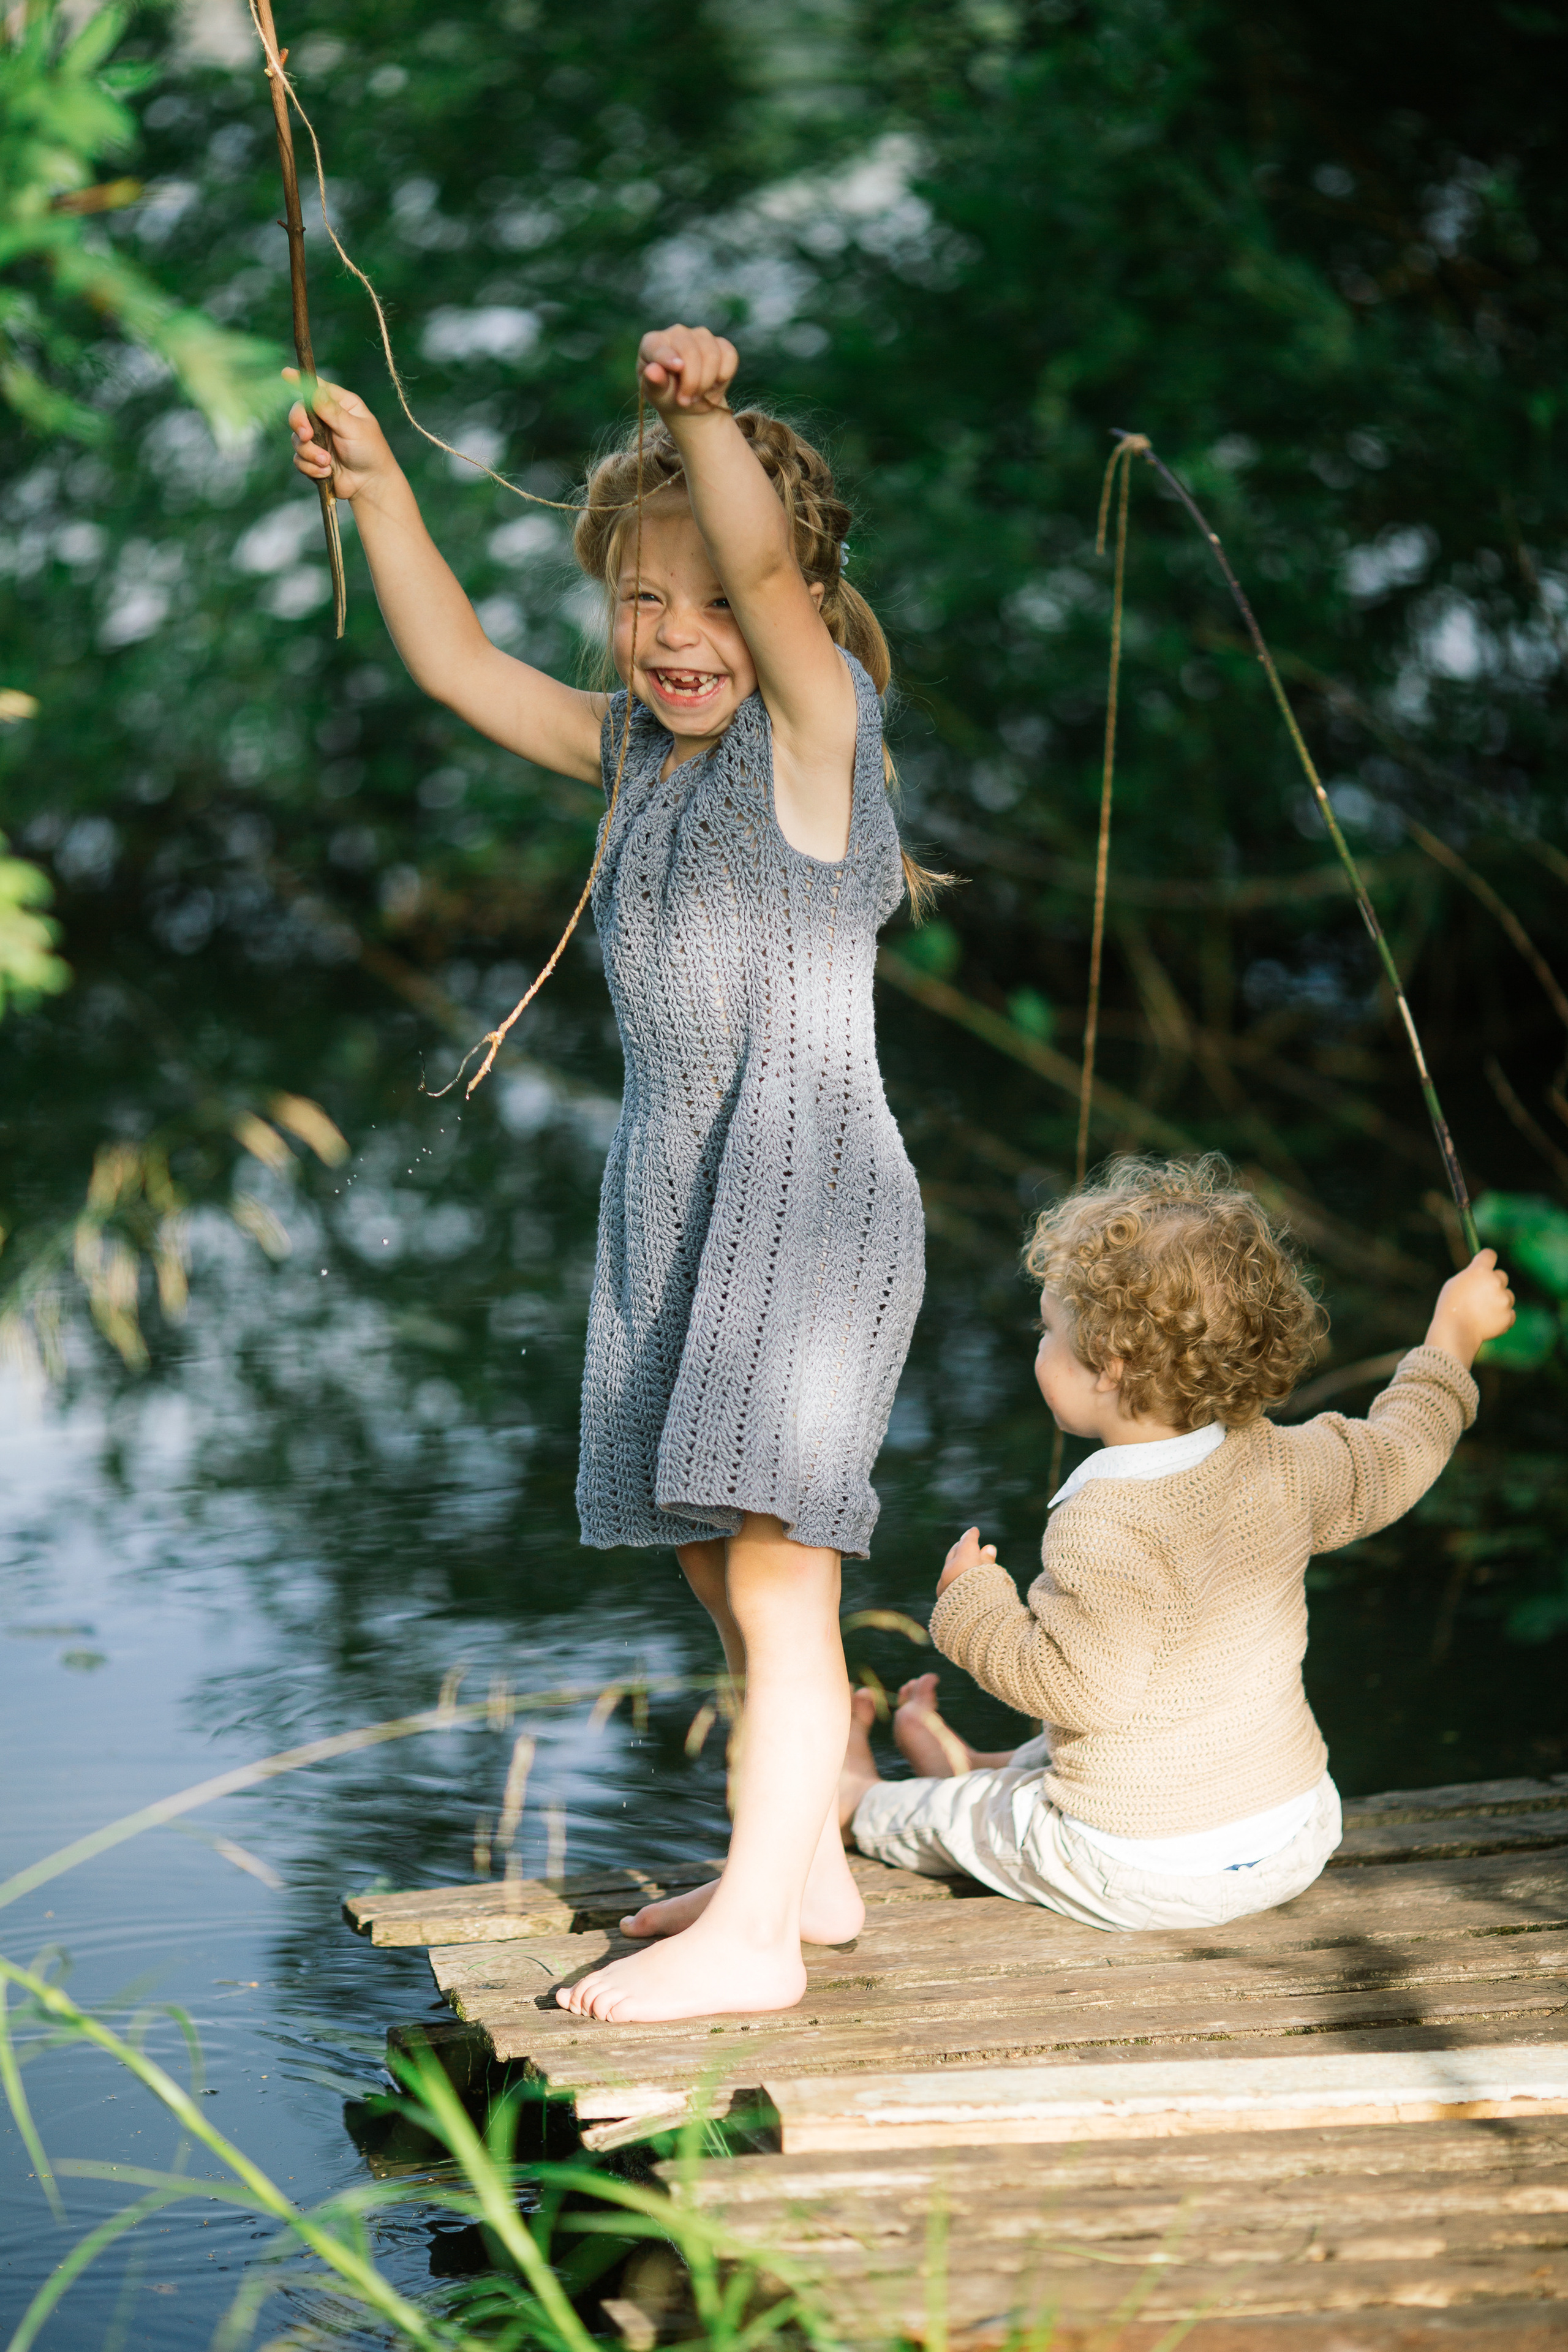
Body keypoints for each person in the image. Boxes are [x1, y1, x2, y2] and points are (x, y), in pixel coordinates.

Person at [288, 325, 935, 2020]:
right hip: (680, 1194)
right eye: (642, 603)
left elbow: (776, 576)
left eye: (710, 601)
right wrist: (377, 493)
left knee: (784, 1581)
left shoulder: (816, 733)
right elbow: (454, 665)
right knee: (721, 1564)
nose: (674, 636)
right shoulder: (637, 755)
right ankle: (801, 1865)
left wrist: (708, 420)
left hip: (801, 1199)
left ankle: (761, 1951)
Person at [839, 1155, 1515, 1932]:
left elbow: (1075, 1691)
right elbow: (1401, 1449)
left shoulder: (1105, 1524)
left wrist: (970, 1606)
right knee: (1142, 1721)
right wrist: (1450, 1336)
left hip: (1140, 1868)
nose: (1038, 1348)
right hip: (1295, 1831)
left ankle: (862, 1798)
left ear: (1110, 1369)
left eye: (1048, 1332)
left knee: (933, 1818)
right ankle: (982, 1769)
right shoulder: (1284, 1462)